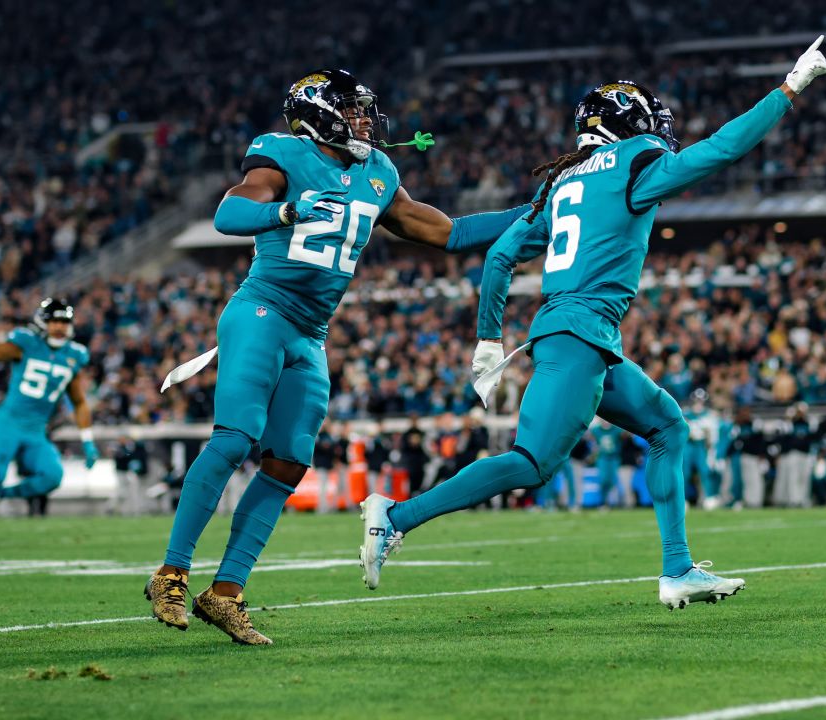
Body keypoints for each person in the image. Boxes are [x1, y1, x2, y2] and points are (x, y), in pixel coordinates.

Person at [359, 38, 826, 610]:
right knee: (531, 463)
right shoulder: (633, 161)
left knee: (667, 426)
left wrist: (489, 336)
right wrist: (788, 89)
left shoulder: (561, 183)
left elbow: (498, 254)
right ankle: (396, 516)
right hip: (578, 332)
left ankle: (678, 568)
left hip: (580, 334)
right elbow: (718, 151)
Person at [146, 69, 535, 644]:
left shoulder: (379, 171)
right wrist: (285, 211)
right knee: (235, 439)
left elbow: (447, 231)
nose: (364, 121)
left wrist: (538, 210)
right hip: (261, 312)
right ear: (318, 113)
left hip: (311, 335)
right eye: (352, 110)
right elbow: (228, 215)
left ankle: (225, 593)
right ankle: (172, 573)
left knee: (287, 462)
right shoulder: (280, 154)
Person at [0, 299, 99, 523]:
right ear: (42, 323)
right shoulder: (26, 343)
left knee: (52, 476)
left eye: (64, 322)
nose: (59, 327)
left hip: (36, 431)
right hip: (9, 423)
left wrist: (87, 439)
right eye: (54, 321)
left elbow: (79, 401)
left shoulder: (74, 355)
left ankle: (0, 496)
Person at [683, 389, 722, 509]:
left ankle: (709, 497)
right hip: (688, 445)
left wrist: (711, 450)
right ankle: (682, 500)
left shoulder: (710, 416)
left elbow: (713, 436)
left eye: (701, 401)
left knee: (705, 471)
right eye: (696, 400)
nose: (698, 403)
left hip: (701, 446)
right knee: (685, 473)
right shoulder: (685, 414)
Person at [773, 402, 815, 507]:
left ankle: (804, 499)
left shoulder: (809, 423)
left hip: (805, 454)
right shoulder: (790, 424)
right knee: (793, 478)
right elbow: (782, 438)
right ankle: (794, 500)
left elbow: (813, 438)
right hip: (793, 453)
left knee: (804, 477)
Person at [729, 407, 768, 509]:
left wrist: (762, 455)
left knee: (755, 480)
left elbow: (761, 441)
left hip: (755, 457)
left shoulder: (755, 424)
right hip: (744, 456)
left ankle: (756, 501)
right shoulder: (738, 426)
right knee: (746, 481)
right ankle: (748, 501)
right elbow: (733, 443)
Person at [591, 419, 624, 508]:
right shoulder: (595, 430)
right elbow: (590, 438)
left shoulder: (616, 430)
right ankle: (603, 502)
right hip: (602, 457)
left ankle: (614, 502)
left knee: (613, 480)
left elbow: (626, 435)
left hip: (614, 457)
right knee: (603, 480)